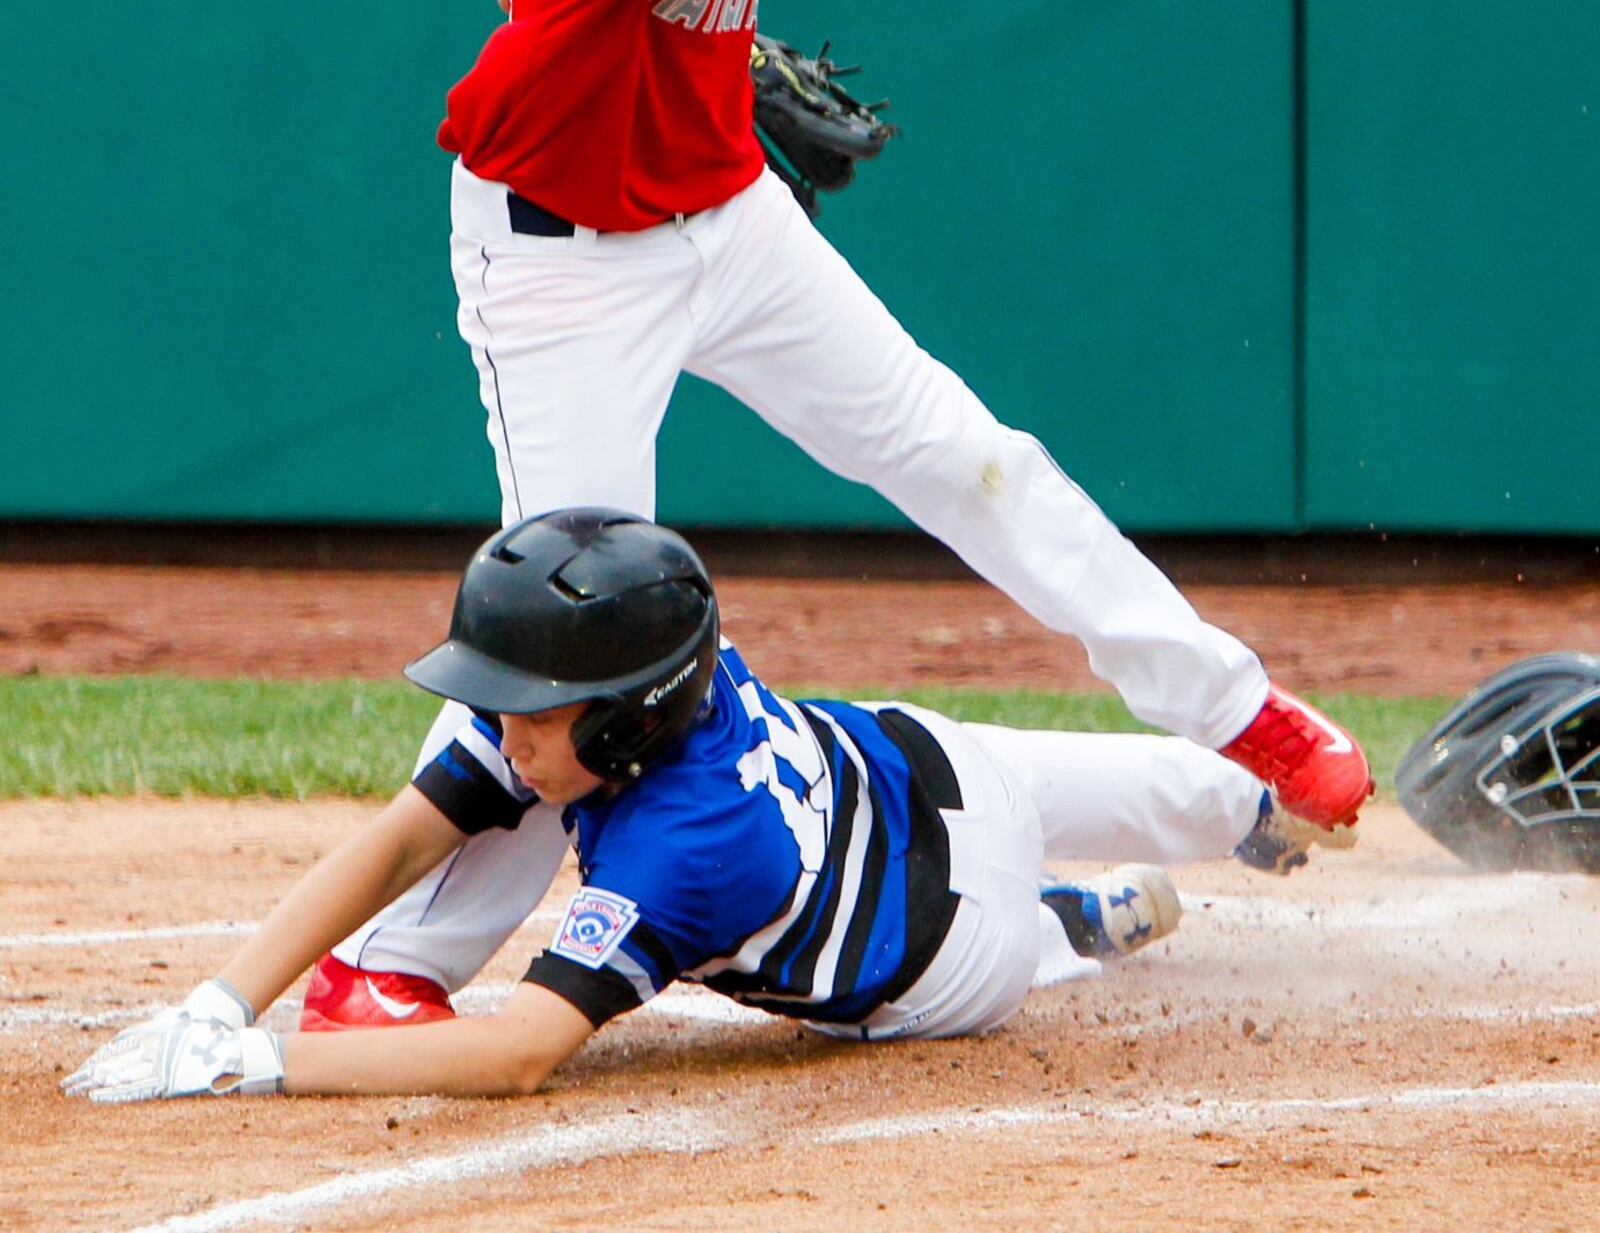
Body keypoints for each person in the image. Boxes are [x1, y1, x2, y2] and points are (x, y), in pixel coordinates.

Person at [303, 0, 1371, 1033]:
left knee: (966, 452)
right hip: (567, 265)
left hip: (720, 210)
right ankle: (392, 964)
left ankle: (1234, 714)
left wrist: (687, 65)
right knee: (577, 639)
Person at [64, 512, 1351, 1103]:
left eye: (530, 705)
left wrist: (260, 1061)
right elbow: (402, 833)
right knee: (1180, 795)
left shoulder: (689, 843)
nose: (502, 730)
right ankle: (1210, 825)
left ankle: (1075, 917)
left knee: (1025, 941)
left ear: (624, 718)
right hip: (931, 768)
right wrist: (214, 999)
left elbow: (518, 1052)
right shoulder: (638, 699)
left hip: (943, 961)